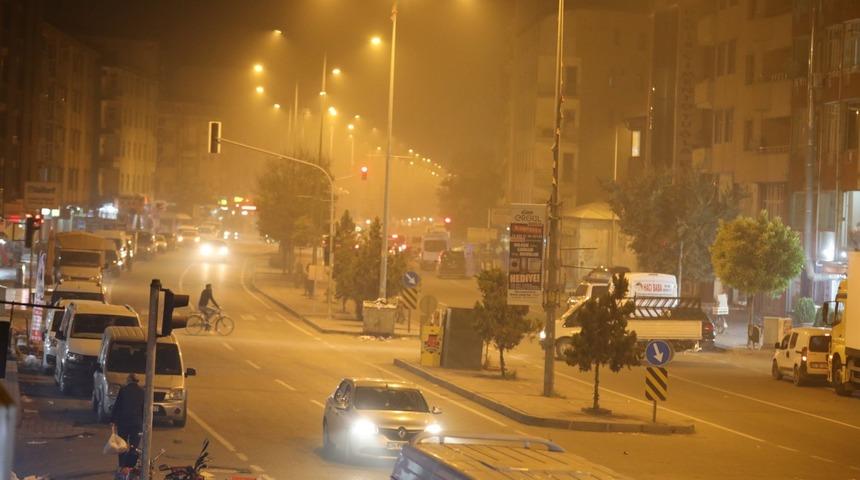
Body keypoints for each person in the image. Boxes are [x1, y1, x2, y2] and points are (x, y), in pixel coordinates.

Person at [111, 373, 144, 468]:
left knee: (122, 446)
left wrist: (113, 420)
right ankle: (130, 467)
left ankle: (122, 465)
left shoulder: (123, 390)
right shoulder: (142, 392)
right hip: (137, 423)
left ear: (129, 380)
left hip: (123, 423)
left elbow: (117, 406)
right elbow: (144, 408)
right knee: (134, 446)